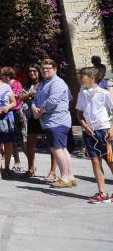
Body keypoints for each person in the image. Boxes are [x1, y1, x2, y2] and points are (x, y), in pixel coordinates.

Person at [32, 58, 76, 188]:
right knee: (62, 149)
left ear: (55, 69)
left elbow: (53, 100)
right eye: (43, 68)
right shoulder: (42, 84)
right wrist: (34, 107)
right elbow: (35, 99)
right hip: (49, 121)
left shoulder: (58, 83)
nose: (45, 70)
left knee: (57, 149)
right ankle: (70, 176)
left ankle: (64, 178)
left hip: (57, 121)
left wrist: (40, 111)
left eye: (48, 68)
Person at [76, 66, 113, 203]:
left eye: (83, 76)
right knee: (95, 161)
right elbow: (79, 113)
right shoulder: (82, 93)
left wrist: (111, 128)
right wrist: (84, 125)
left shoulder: (104, 93)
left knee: (110, 160)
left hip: (103, 130)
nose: (80, 79)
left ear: (92, 78)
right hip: (89, 132)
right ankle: (102, 192)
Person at [19, 64, 51, 179]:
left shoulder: (46, 83)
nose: (32, 73)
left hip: (45, 116)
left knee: (52, 144)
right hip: (32, 117)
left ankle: (52, 172)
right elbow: (20, 97)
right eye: (30, 71)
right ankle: (31, 168)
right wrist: (30, 93)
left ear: (39, 71)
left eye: (34, 71)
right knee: (30, 144)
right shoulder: (28, 85)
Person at [0, 66, 25, 173]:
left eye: (2, 74)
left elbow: (16, 96)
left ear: (8, 75)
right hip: (7, 112)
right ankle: (17, 161)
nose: (0, 77)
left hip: (16, 113)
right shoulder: (3, 85)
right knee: (12, 140)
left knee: (21, 140)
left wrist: (4, 96)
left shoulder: (16, 83)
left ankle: (31, 164)